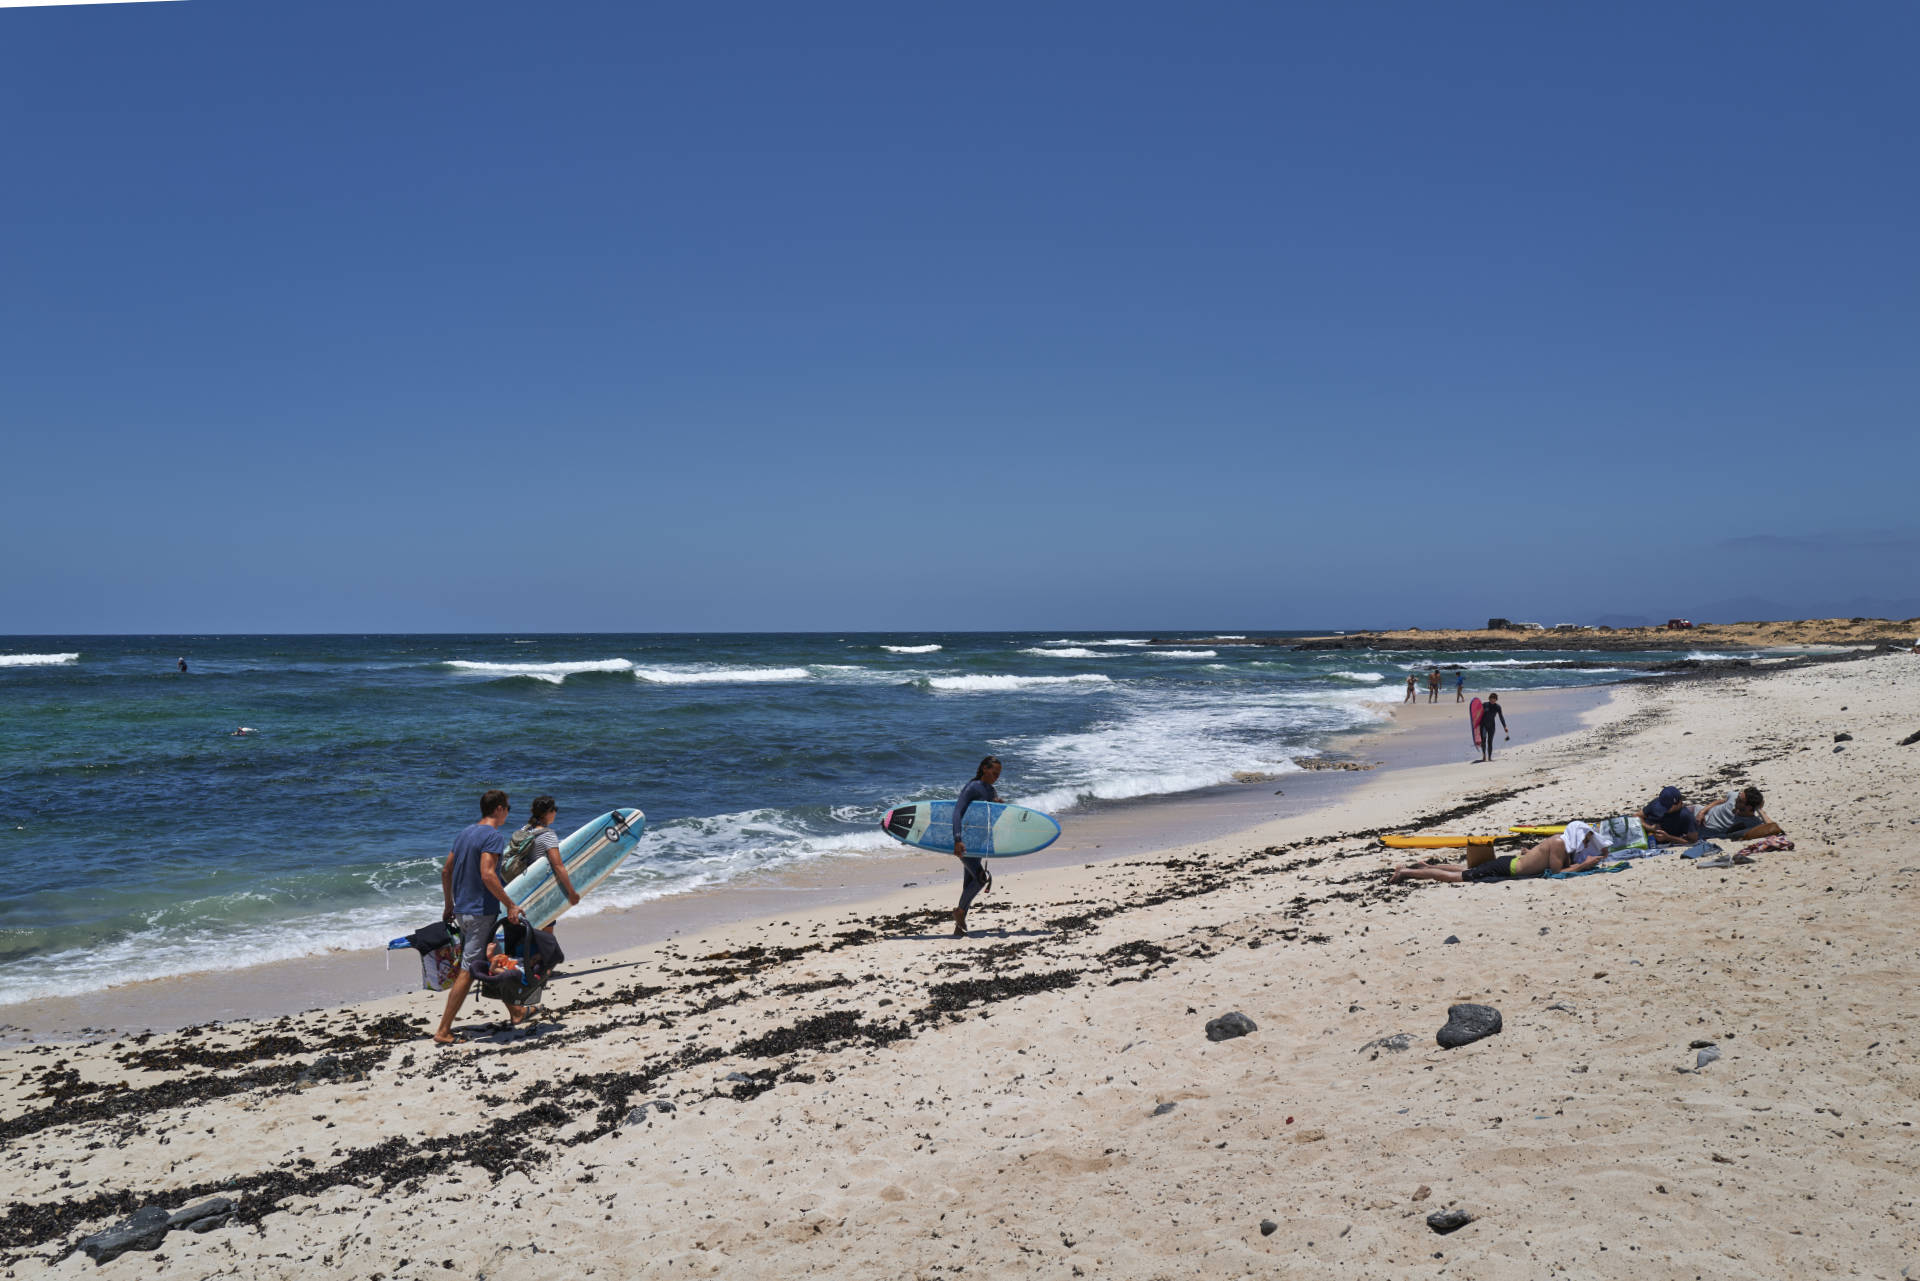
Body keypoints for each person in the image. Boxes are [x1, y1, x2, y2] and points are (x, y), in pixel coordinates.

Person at [433, 790, 528, 1045]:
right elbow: (488, 874)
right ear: (498, 809)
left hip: (463, 910)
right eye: (507, 807)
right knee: (469, 970)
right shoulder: (493, 836)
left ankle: (516, 1011)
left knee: (490, 959)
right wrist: (510, 904)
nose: (508, 811)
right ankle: (443, 1030)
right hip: (480, 912)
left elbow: (446, 871)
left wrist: (449, 904)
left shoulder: (465, 833)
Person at [1392, 821, 1608, 883]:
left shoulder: (1561, 842)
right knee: (1457, 877)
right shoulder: (1559, 843)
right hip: (1508, 867)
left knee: (1467, 869)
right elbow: (1558, 872)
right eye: (1586, 838)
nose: (1586, 842)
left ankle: (1426, 867)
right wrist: (1584, 865)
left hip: (1511, 863)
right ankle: (1406, 873)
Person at [500, 796, 580, 942]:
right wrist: (571, 892)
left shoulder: (525, 829)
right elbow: (558, 866)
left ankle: (529, 960)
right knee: (547, 932)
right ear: (547, 813)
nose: (556, 812)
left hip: (521, 887)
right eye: (554, 809)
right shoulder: (548, 835)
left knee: (529, 928)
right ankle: (545, 962)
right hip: (540, 889)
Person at [950, 755, 1004, 937]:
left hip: (979, 843)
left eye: (998, 774)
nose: (996, 776)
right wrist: (957, 839)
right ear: (983, 768)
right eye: (994, 772)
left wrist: (998, 806)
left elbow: (989, 817)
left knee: (970, 883)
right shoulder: (972, 787)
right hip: (966, 843)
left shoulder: (991, 790)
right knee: (981, 879)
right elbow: (957, 811)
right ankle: (959, 912)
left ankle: (959, 928)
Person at [1697, 786, 1777, 840]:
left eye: (1740, 801)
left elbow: (1773, 828)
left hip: (1705, 828)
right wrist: (1702, 812)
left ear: (1749, 807)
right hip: (1698, 812)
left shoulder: (1753, 822)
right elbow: (1720, 801)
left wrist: (1760, 810)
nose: (1736, 799)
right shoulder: (1735, 796)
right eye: (1738, 797)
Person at [1476, 693, 1508, 761]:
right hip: (1483, 725)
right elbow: (1478, 714)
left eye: (1494, 699)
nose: (1492, 700)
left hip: (1491, 726)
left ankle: (1490, 757)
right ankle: (1484, 756)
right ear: (1489, 698)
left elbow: (1501, 717)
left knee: (1490, 742)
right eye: (1491, 699)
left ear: (1496, 699)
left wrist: (1504, 726)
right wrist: (1476, 724)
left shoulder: (1497, 707)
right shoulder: (1485, 705)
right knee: (1483, 741)